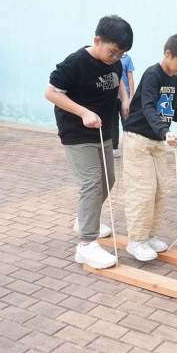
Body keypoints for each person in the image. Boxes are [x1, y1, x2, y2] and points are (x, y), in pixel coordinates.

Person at [44, 15, 133, 270]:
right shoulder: (76, 62)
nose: (116, 57)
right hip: (77, 132)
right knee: (92, 183)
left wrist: (125, 99)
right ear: (97, 40)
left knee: (108, 180)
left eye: (121, 54)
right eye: (112, 52)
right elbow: (51, 92)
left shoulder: (115, 61)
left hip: (102, 131)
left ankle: (84, 220)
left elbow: (119, 80)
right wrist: (83, 112)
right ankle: (86, 245)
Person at [122, 33, 177, 262]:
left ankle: (148, 236)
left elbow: (173, 109)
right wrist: (165, 132)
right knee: (142, 190)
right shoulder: (152, 75)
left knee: (160, 190)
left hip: (157, 140)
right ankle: (136, 240)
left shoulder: (174, 78)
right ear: (168, 53)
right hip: (138, 139)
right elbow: (148, 107)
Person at [113, 54, 135, 157]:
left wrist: (131, 96)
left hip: (125, 97)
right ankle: (114, 147)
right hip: (113, 97)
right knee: (113, 123)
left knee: (127, 122)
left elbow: (130, 78)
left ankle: (129, 147)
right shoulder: (110, 58)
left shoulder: (127, 59)